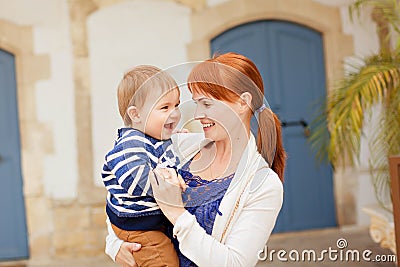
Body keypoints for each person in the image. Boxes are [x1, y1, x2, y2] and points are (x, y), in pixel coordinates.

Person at [106, 52, 286, 266]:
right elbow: (121, 195)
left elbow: (235, 263)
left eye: (207, 104)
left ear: (242, 102)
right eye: (196, 104)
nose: (198, 114)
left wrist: (176, 213)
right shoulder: (179, 145)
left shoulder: (263, 185)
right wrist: (115, 246)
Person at [102, 65, 184, 267]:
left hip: (150, 222)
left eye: (177, 105)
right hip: (139, 227)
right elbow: (135, 180)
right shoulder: (130, 145)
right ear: (136, 115)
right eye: (165, 108)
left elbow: (165, 156)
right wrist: (171, 186)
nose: (174, 113)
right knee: (163, 261)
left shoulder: (157, 139)